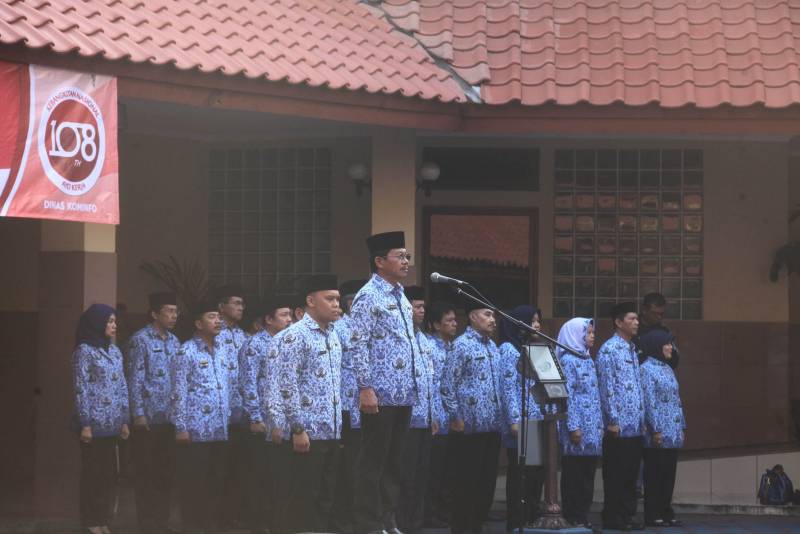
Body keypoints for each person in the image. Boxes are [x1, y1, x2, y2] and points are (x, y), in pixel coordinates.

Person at [351, 231, 423, 534]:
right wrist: (365, 387)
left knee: (394, 462)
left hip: (403, 392)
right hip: (379, 394)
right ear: (380, 261)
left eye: (407, 256)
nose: (406, 261)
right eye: (400, 256)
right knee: (373, 462)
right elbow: (357, 343)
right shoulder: (368, 296)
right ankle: (368, 523)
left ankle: (387, 519)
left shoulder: (401, 296)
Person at [268, 275, 342, 533]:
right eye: (329, 299)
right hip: (305, 432)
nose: (336, 305)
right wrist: (298, 428)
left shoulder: (333, 334)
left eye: (337, 299)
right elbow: (286, 385)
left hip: (331, 429)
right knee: (302, 498)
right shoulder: (294, 336)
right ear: (310, 301)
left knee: (325, 497)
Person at [441, 300, 504, 534]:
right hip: (468, 428)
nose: (492, 320)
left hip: (492, 426)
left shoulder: (493, 347)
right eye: (487, 315)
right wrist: (455, 416)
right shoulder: (461, 345)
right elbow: (447, 385)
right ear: (472, 317)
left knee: (486, 484)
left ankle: (477, 527)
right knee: (466, 484)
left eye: (494, 315)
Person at [170, 300, 230, 534]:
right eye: (211, 317)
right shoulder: (186, 351)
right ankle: (192, 526)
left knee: (217, 480)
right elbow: (178, 392)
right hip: (195, 430)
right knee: (195, 482)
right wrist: (180, 427)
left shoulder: (222, 349)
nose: (218, 321)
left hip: (220, 429)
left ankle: (211, 525)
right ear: (198, 323)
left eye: (218, 317)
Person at [72, 304, 130, 534]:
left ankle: (103, 518)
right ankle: (90, 521)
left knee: (108, 475)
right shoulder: (84, 351)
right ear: (96, 323)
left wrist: (124, 419)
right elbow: (81, 389)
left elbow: (122, 386)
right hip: (93, 425)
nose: (114, 326)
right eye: (109, 321)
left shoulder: (115, 351)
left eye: (115, 321)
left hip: (113, 424)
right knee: (93, 475)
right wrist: (85, 423)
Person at [125, 292, 180, 533]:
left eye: (176, 312)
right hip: (147, 418)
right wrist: (138, 413)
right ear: (155, 314)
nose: (174, 316)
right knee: (146, 471)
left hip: (169, 417)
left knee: (166, 472)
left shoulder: (175, 341)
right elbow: (134, 378)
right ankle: (146, 523)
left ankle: (162, 521)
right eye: (169, 311)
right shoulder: (140, 340)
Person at [238, 294, 294, 534]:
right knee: (260, 475)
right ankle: (258, 524)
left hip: (285, 422)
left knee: (281, 476)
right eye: (284, 315)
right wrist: (255, 417)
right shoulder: (254, 344)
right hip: (262, 421)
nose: (290, 319)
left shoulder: (289, 342)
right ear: (269, 320)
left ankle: (278, 523)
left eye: (290, 315)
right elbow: (247, 383)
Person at [596, 302, 645, 531]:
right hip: (618, 426)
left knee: (630, 474)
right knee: (616, 473)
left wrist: (642, 419)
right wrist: (612, 421)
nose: (636, 323)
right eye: (631, 319)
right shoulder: (609, 350)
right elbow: (606, 388)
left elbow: (636, 386)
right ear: (618, 322)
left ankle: (627, 515)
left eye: (637, 319)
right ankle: (613, 516)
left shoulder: (632, 348)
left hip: (634, 424)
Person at [397, 286, 441, 534]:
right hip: (406, 419)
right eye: (417, 306)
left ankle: (415, 523)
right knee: (404, 476)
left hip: (425, 419)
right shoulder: (400, 338)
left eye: (423, 307)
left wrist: (434, 415)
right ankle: (401, 523)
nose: (422, 311)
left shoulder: (424, 340)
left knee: (421, 475)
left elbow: (430, 381)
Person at [497, 305, 545, 532]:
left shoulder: (533, 348)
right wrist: (514, 420)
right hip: (520, 420)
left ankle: (531, 516)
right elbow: (508, 387)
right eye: (532, 321)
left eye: (538, 321)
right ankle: (516, 520)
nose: (537, 325)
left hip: (535, 418)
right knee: (520, 472)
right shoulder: (509, 349)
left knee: (534, 473)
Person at [556, 317, 602, 529]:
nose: (592, 336)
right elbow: (568, 397)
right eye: (588, 332)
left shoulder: (587, 359)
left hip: (592, 428)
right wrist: (573, 426)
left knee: (587, 474)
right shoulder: (568, 360)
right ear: (575, 334)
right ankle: (572, 515)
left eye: (593, 332)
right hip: (577, 428)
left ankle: (583, 515)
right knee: (574, 474)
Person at [639, 329, 686, 528]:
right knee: (655, 475)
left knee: (668, 475)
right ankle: (653, 514)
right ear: (657, 346)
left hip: (672, 431)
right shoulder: (646, 369)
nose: (671, 348)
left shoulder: (667, 368)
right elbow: (649, 402)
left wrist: (682, 425)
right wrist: (655, 429)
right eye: (667, 344)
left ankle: (666, 511)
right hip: (657, 433)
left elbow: (677, 400)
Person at [331, 279, 368, 534]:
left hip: (368, 410)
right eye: (356, 302)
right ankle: (342, 520)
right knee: (345, 467)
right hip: (345, 407)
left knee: (364, 467)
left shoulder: (369, 328)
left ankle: (361, 519)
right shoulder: (337, 328)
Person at [214, 285, 247, 529]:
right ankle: (217, 517)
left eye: (242, 304)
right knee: (219, 467)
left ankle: (233, 515)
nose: (240, 307)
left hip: (240, 411)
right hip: (218, 412)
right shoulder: (214, 332)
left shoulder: (242, 335)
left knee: (238, 466)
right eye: (236, 302)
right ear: (221, 306)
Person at [423, 301, 458, 528]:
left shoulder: (452, 346)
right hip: (437, 418)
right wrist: (434, 415)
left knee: (447, 469)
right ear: (436, 325)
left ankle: (444, 510)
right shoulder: (430, 347)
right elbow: (432, 385)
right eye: (449, 321)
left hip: (451, 417)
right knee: (433, 470)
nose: (454, 324)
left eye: (455, 320)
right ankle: (430, 512)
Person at [636, 293, 680, 367]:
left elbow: (674, 360)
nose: (659, 317)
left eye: (661, 314)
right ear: (644, 310)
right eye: (654, 313)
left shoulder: (664, 332)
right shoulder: (631, 328)